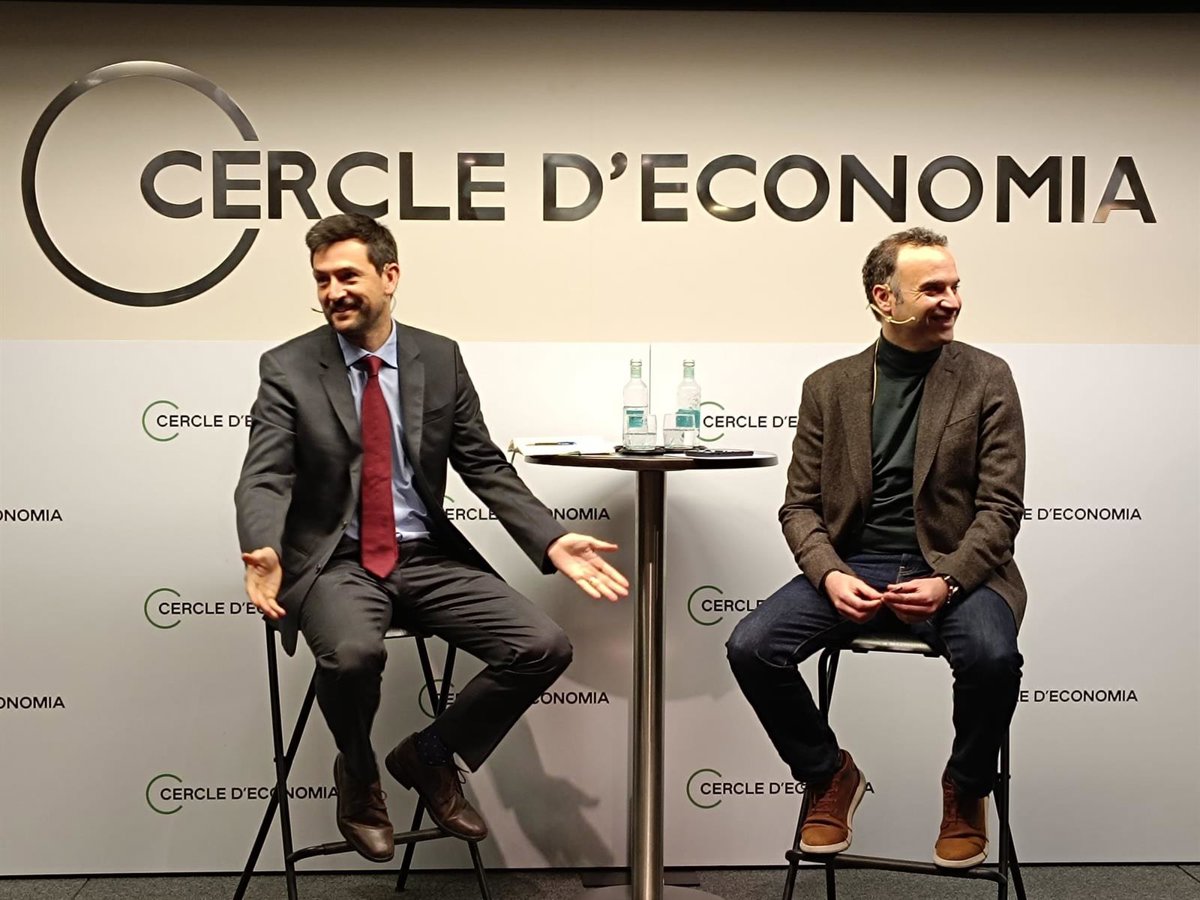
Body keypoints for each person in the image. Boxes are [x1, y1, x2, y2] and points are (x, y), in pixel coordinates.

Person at [234, 213, 628, 862]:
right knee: (353, 656)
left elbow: (482, 463)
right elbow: (265, 474)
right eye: (322, 280)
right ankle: (358, 772)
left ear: (389, 276)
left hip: (424, 556)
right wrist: (265, 546)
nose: (333, 291)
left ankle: (431, 754)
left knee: (542, 646)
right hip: (339, 562)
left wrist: (551, 539)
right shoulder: (288, 367)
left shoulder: (438, 357)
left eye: (347, 276)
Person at [726, 227, 1025, 869]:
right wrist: (830, 575)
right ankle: (829, 774)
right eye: (933, 289)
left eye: (955, 286)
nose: (952, 300)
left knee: (993, 658)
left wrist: (949, 581)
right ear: (884, 298)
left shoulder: (987, 377)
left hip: (954, 567)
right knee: (752, 647)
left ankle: (966, 788)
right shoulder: (828, 386)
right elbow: (800, 507)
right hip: (854, 564)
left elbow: (1001, 509)